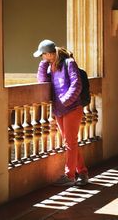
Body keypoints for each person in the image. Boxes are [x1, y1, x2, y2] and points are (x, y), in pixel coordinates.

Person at [33, 39, 89, 186]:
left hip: (72, 108)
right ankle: (82, 173)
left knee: (70, 142)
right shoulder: (50, 65)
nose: (42, 57)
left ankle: (70, 175)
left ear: (50, 53)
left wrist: (65, 100)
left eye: (43, 55)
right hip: (59, 110)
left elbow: (77, 84)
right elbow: (42, 82)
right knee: (70, 142)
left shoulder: (69, 63)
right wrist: (43, 64)